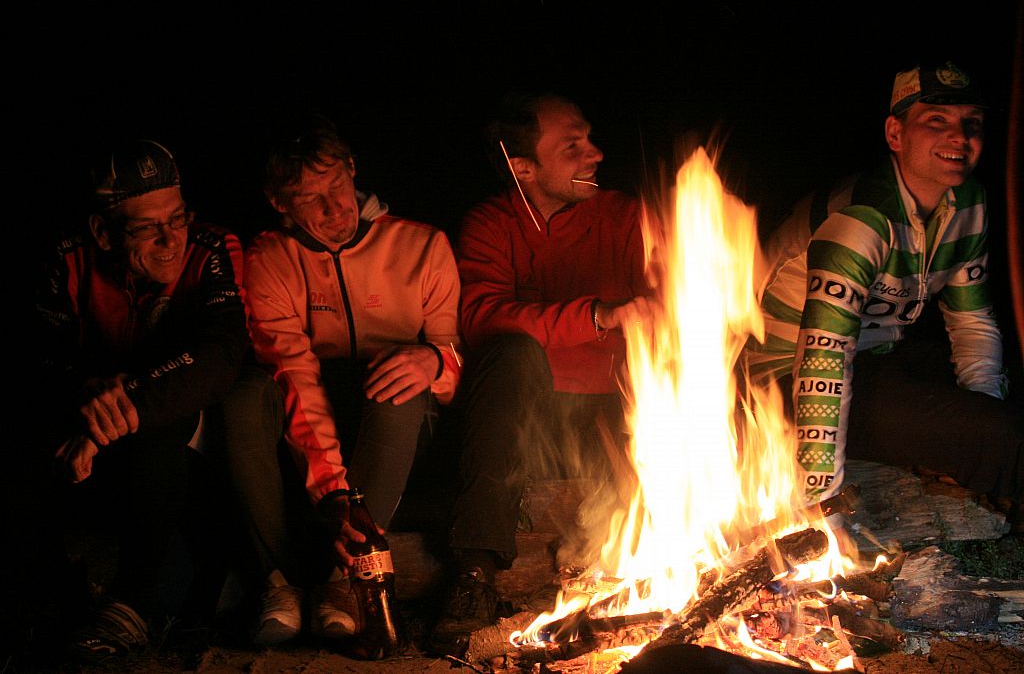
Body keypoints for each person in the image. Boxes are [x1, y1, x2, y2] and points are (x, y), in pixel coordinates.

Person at [426, 93, 653, 656]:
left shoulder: (624, 217)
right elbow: (483, 317)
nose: (595, 154)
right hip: (527, 412)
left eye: (589, 139)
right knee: (511, 353)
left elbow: (665, 301)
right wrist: (597, 316)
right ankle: (474, 576)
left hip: (609, 413)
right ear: (523, 167)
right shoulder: (491, 224)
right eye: (572, 147)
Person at [747, 60, 1022, 515]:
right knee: (1008, 438)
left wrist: (982, 409)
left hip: (878, 358)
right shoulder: (860, 219)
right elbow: (823, 362)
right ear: (896, 134)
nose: (959, 136)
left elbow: (971, 321)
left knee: (996, 412)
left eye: (971, 122)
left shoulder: (968, 203)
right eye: (937, 121)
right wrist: (821, 498)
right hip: (783, 384)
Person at [237, 113, 462, 645]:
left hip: (399, 418)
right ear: (278, 202)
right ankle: (281, 582)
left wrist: (434, 361)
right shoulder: (269, 259)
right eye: (310, 198)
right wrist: (334, 493)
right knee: (245, 396)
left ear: (353, 169)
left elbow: (454, 353)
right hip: (314, 417)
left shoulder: (422, 245)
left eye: (337, 186)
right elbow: (294, 375)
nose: (334, 208)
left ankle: (346, 580)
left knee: (399, 383)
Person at [33, 139, 250, 657]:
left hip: (184, 447)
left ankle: (131, 604)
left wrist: (121, 402)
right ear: (103, 232)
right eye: (146, 228)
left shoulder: (211, 248)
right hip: (88, 444)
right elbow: (40, 357)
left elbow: (221, 354)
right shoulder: (66, 257)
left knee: (160, 423)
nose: (170, 239)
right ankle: (50, 594)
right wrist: (85, 395)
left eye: (177, 218)